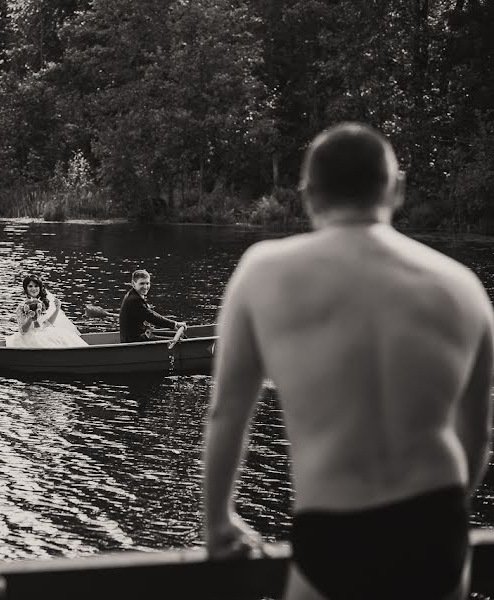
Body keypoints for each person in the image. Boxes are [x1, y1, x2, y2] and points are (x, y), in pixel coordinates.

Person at [203, 123, 493, 600]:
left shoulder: (263, 272)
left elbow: (228, 414)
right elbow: (477, 437)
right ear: (396, 189)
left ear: (308, 195)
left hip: (334, 526)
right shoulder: (461, 287)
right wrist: (438, 520)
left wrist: (217, 523)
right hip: (435, 523)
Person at [5, 274, 86, 347]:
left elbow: (46, 324)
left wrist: (57, 309)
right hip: (28, 337)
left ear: (40, 288)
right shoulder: (21, 307)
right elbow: (23, 331)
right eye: (30, 286)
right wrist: (30, 319)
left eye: (36, 286)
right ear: (26, 288)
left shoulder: (42, 304)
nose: (33, 289)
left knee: (66, 336)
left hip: (42, 333)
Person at [118, 269, 186, 343]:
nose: (145, 287)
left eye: (147, 283)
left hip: (141, 334)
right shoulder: (134, 299)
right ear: (133, 284)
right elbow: (151, 317)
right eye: (142, 283)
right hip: (134, 340)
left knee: (181, 335)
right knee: (181, 340)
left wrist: (173, 324)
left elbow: (149, 313)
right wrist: (175, 324)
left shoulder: (134, 295)